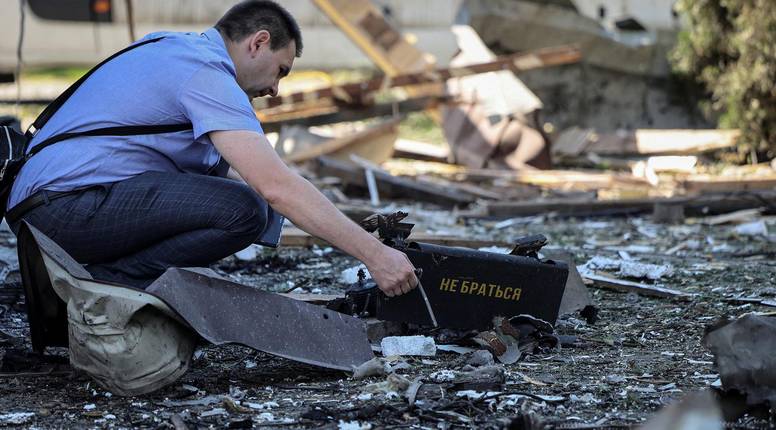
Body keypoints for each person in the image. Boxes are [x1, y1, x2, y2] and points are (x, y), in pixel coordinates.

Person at [7, 0, 418, 296]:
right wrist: (375, 256)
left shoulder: (176, 48)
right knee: (243, 209)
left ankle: (104, 280)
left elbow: (254, 176)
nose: (276, 89)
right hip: (61, 210)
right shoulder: (206, 73)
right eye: (280, 71)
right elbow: (274, 187)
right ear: (258, 43)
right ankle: (105, 285)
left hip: (49, 206)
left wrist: (342, 220)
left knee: (250, 202)